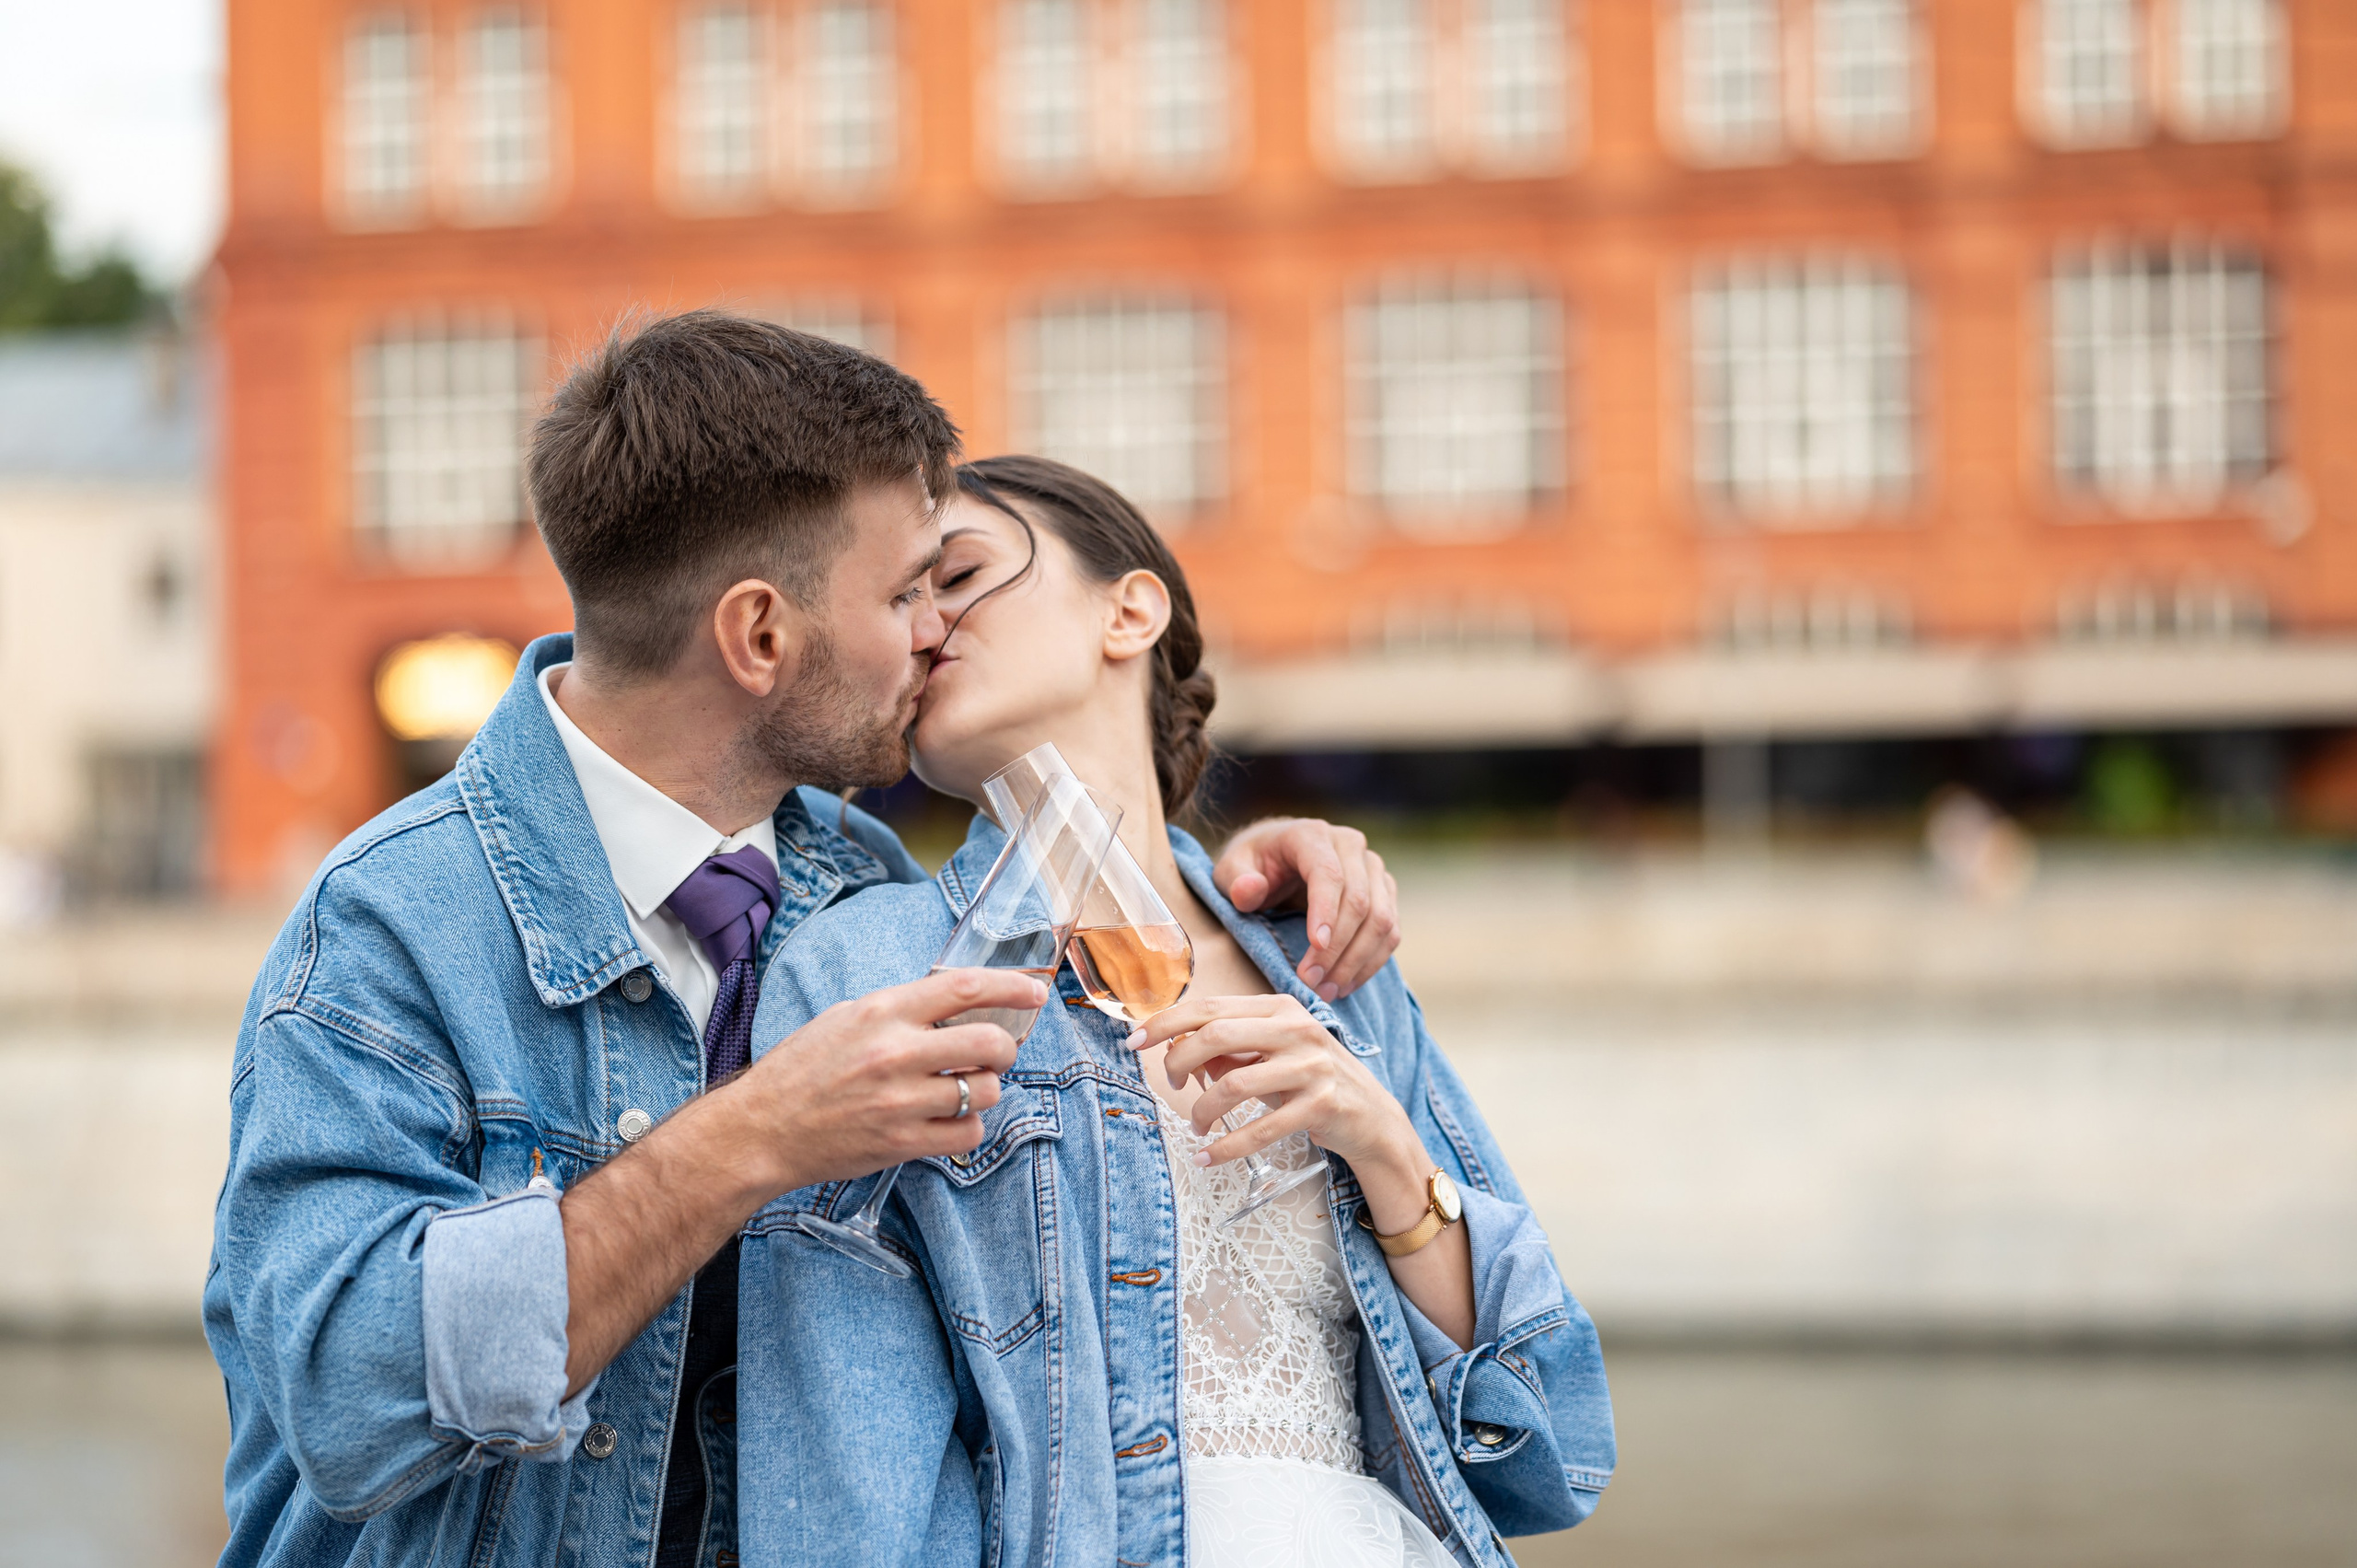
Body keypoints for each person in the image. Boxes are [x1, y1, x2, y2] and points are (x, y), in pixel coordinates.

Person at [203, 314, 1404, 1568]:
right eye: (904, 593)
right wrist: (762, 1128)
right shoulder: (387, 925)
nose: (936, 631)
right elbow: (350, 1399)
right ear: (761, 635)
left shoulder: (860, 882)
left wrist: (1251, 879)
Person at [734, 456, 1615, 1568]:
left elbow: (1546, 1450)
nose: (925, 622)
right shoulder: (865, 970)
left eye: (956, 572)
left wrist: (1385, 1149)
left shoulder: (1327, 960)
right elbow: (847, 1484)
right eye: (899, 600)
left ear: (1130, 607)